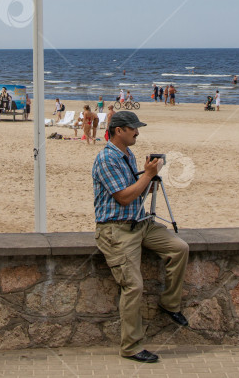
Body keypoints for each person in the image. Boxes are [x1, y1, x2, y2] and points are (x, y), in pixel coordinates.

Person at [92, 111, 189, 363]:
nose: (137, 132)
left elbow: (134, 193)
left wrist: (149, 180)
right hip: (116, 229)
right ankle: (131, 347)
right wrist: (146, 175)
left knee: (179, 248)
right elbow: (123, 197)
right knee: (133, 286)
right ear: (118, 130)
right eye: (133, 128)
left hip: (139, 223)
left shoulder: (127, 155)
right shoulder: (106, 159)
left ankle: (170, 304)